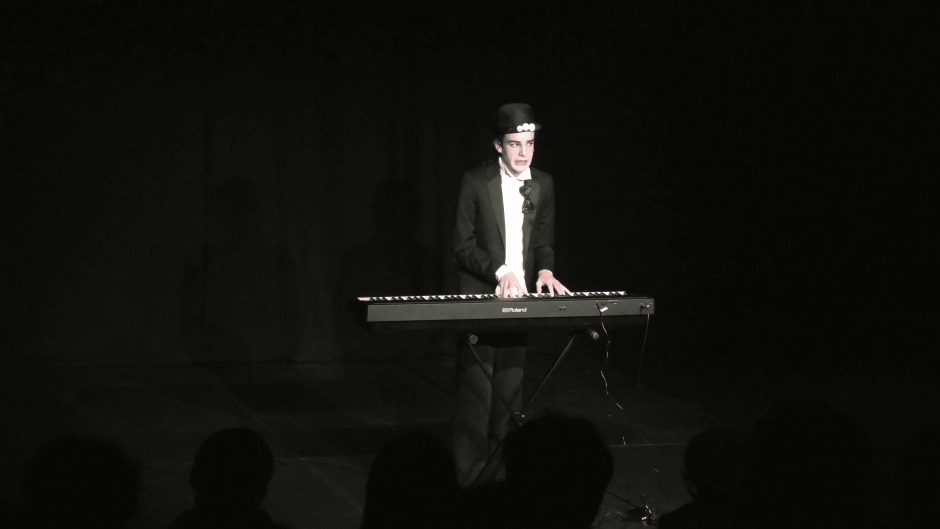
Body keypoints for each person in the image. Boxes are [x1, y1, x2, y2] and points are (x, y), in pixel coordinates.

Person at [452, 103, 570, 485]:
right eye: (516, 144)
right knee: (477, 395)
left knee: (510, 395)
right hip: (482, 298)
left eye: (530, 143)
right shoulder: (475, 181)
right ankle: (468, 482)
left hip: (520, 301)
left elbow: (544, 241)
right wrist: (501, 271)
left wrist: (546, 270)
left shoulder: (543, 183)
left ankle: (502, 480)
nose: (524, 152)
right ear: (498, 145)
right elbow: (462, 246)